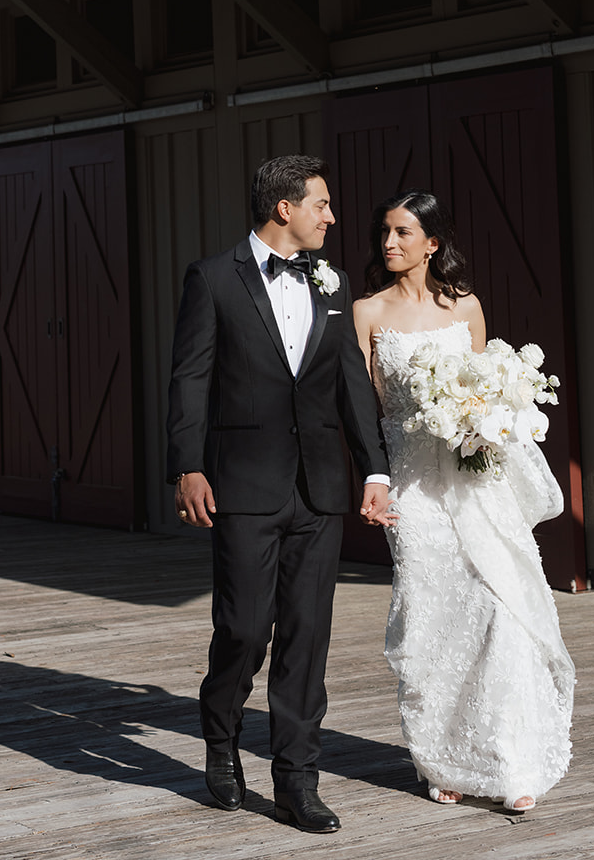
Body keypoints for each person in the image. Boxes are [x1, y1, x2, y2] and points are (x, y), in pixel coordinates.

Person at [166, 154, 394, 834]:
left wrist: (374, 470)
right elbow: (190, 379)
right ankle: (219, 737)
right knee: (241, 628)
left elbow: (350, 383)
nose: (331, 216)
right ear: (282, 209)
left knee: (306, 636)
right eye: (320, 204)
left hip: (319, 487)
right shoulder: (212, 279)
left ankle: (297, 778)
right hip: (241, 481)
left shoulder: (333, 280)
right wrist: (187, 465)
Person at [353, 188, 574, 814]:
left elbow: (488, 392)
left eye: (401, 233)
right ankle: (439, 758)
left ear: (433, 243)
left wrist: (484, 420)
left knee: (499, 612)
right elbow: (362, 410)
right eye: (384, 234)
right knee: (430, 615)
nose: (388, 244)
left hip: (476, 480)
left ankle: (512, 761)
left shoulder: (466, 307)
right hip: (413, 485)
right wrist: (370, 478)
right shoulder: (366, 313)